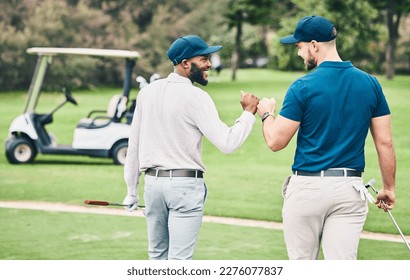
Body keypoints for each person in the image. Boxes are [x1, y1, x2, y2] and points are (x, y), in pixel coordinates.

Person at [256, 16, 396, 260]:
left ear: (313, 45)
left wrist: (267, 113)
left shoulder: (303, 86)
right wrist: (389, 188)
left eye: (299, 47)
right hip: (349, 189)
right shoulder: (371, 84)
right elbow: (384, 142)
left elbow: (275, 142)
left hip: (307, 188)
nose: (299, 54)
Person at [123, 35, 259, 260]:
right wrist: (248, 113)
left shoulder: (147, 92)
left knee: (156, 257)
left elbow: (133, 144)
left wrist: (131, 190)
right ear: (185, 63)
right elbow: (227, 143)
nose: (209, 64)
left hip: (152, 186)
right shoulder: (197, 96)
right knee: (180, 263)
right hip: (184, 186)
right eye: (204, 59)